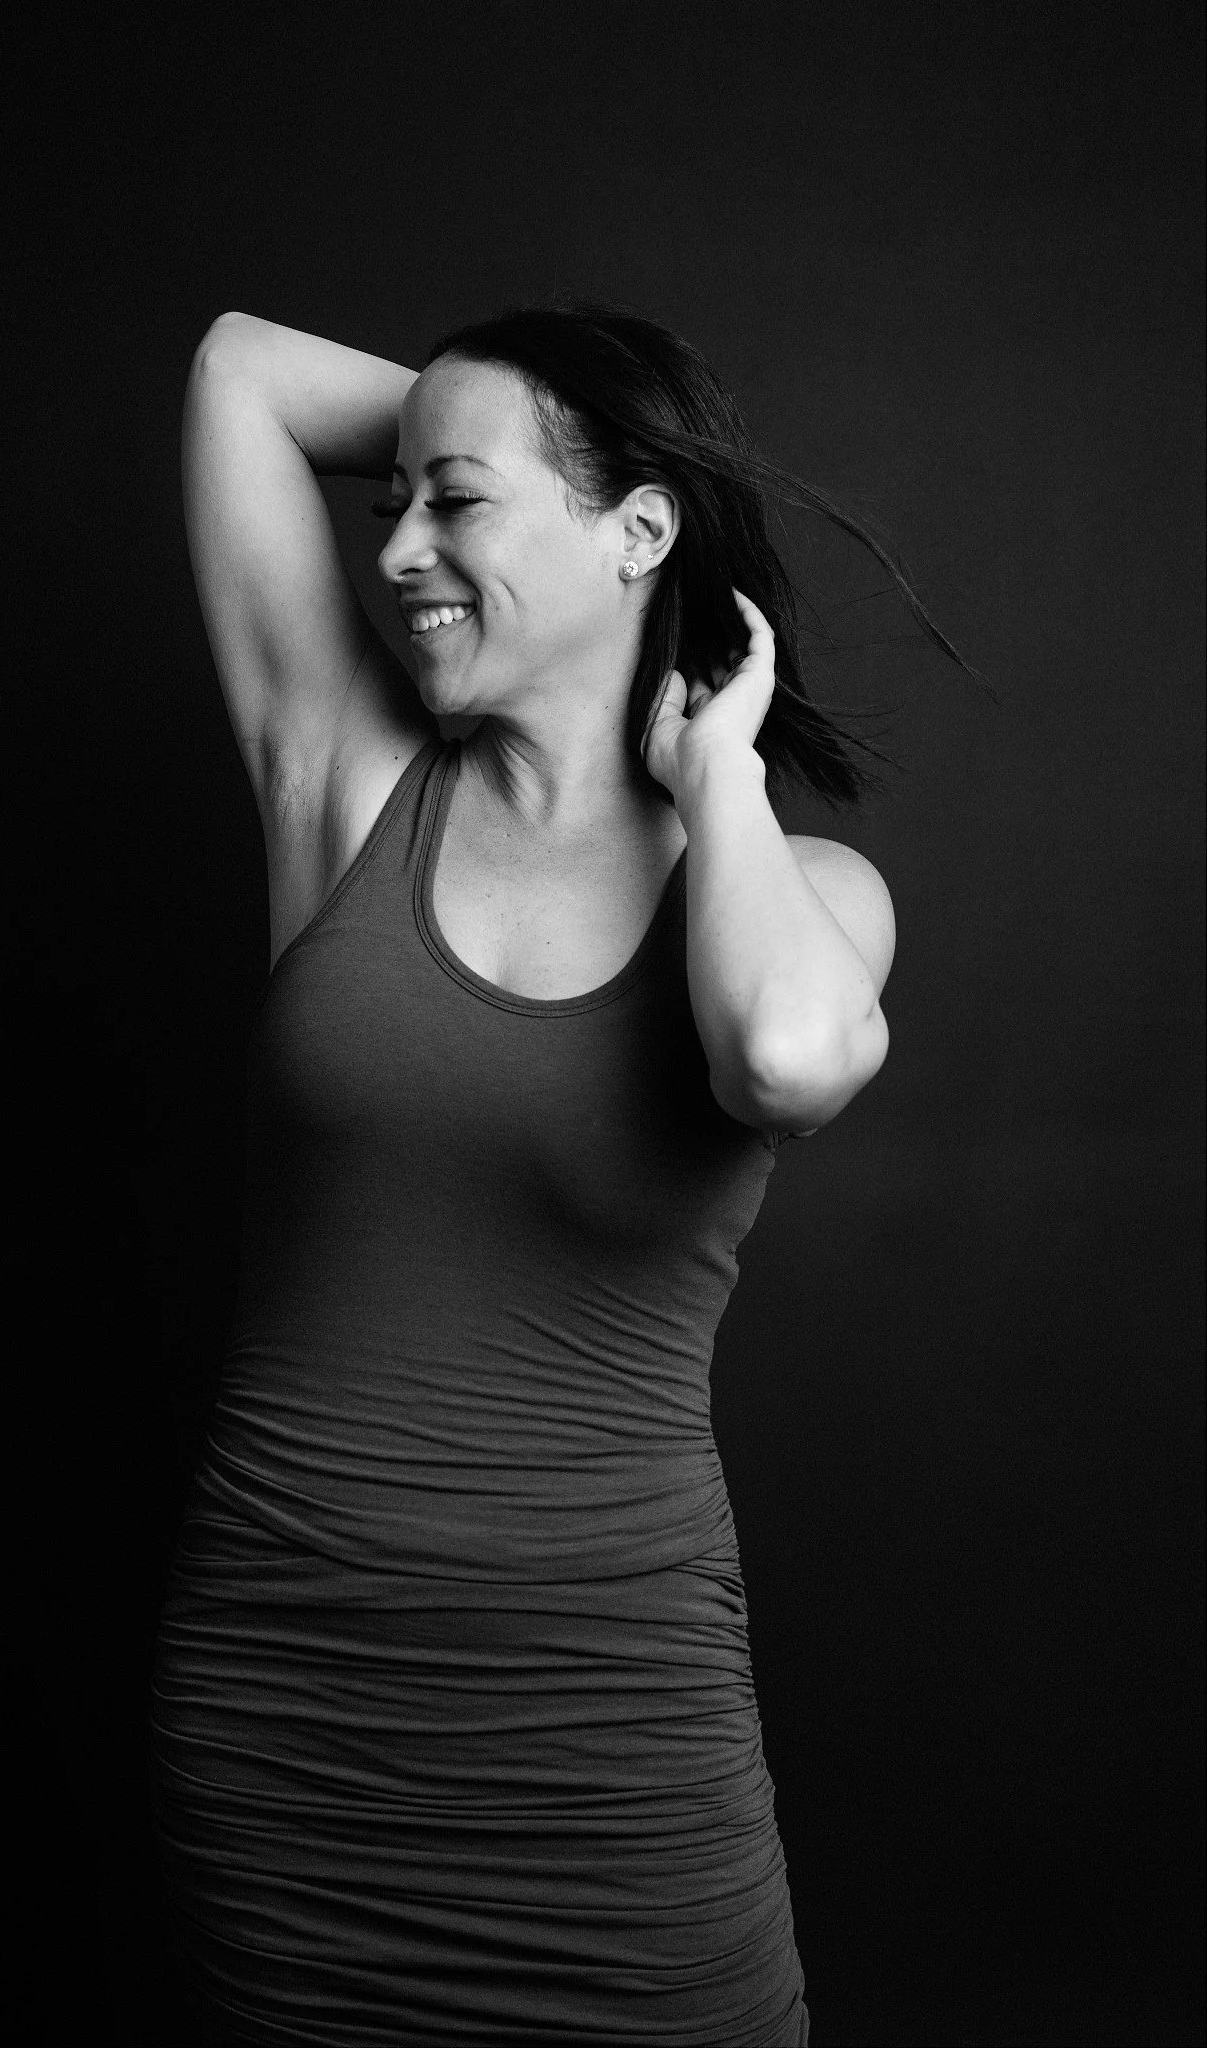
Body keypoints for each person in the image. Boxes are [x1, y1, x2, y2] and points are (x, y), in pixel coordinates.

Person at [150, 300, 957, 2045]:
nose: (405, 553)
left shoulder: (808, 896)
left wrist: (718, 783)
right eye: (392, 508)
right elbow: (236, 369)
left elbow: (789, 1057)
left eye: (458, 503)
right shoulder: (347, 788)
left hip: (607, 1730)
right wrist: (486, 430)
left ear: (640, 531)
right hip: (291, 1706)